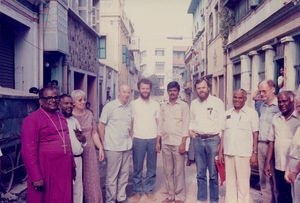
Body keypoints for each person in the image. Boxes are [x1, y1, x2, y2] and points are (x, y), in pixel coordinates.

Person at [21, 87, 74, 203]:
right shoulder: (32, 119)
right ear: (40, 101)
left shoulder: (61, 116)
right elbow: (27, 152)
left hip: (64, 169)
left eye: (55, 97)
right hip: (45, 170)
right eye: (49, 98)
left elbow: (67, 142)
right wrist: (36, 177)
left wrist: (72, 166)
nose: (53, 100)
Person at [219, 89, 259, 203]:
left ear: (245, 99)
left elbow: (255, 134)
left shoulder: (252, 113)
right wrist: (220, 152)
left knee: (243, 183)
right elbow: (223, 133)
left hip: (244, 154)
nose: (237, 100)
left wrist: (254, 153)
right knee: (230, 183)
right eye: (235, 97)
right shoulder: (227, 113)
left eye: (240, 98)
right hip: (229, 153)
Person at [189, 78, 225, 203]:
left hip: (213, 141)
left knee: (214, 174)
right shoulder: (193, 103)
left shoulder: (217, 102)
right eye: (198, 88)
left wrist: (220, 144)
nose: (201, 90)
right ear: (196, 90)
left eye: (203, 87)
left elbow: (222, 124)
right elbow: (192, 120)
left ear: (208, 88)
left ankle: (214, 200)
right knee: (200, 173)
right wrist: (191, 131)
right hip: (198, 140)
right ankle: (202, 198)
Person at [156, 81, 189, 203]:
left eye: (174, 90)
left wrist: (183, 143)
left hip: (178, 142)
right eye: (170, 91)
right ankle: (170, 195)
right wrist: (158, 142)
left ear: (178, 91)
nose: (172, 93)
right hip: (165, 142)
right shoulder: (163, 106)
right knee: (168, 170)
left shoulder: (184, 106)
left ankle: (180, 196)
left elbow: (186, 124)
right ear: (167, 92)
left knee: (179, 171)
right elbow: (160, 125)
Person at [98, 84, 132, 203]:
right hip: (112, 147)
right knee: (112, 177)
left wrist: (131, 141)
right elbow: (101, 125)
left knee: (124, 175)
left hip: (126, 147)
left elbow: (130, 126)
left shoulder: (129, 107)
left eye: (128, 92)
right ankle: (110, 199)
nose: (126, 94)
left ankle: (121, 197)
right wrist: (103, 144)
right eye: (124, 92)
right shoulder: (110, 107)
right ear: (118, 92)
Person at [264, 91, 299, 203]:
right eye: (279, 102)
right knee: (281, 193)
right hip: (279, 164)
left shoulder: (298, 118)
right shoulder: (276, 118)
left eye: (285, 101)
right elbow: (271, 142)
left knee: (295, 196)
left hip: (295, 166)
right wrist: (268, 163)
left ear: (292, 102)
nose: (282, 104)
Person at [71, 89, 104, 203]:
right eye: (80, 100)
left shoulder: (89, 114)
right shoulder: (69, 116)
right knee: (76, 178)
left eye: (84, 99)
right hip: (75, 150)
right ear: (74, 102)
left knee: (91, 177)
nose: (83, 102)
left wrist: (100, 148)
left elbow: (94, 133)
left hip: (89, 150)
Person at [130, 78, 160, 202]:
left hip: (152, 138)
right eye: (143, 88)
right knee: (137, 167)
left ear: (150, 89)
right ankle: (137, 191)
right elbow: (130, 123)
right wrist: (131, 139)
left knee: (152, 167)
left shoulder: (156, 104)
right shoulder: (133, 104)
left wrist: (158, 141)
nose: (145, 90)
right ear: (139, 89)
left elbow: (159, 124)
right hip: (138, 139)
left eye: (147, 88)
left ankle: (148, 190)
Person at [60, 94, 87, 203]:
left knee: (77, 189)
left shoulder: (74, 120)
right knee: (65, 189)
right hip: (64, 161)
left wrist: (83, 139)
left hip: (78, 159)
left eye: (71, 103)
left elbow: (81, 140)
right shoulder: (59, 121)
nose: (69, 106)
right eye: (66, 103)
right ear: (59, 105)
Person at [258, 80, 280, 203]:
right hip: (261, 145)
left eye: (264, 91)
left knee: (275, 179)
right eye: (260, 91)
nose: (261, 94)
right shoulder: (262, 106)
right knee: (264, 179)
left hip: (273, 146)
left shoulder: (279, 106)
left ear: (272, 90)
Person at [285, 95, 300, 203]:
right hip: (294, 167)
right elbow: (293, 149)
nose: (299, 109)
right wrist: (287, 170)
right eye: (298, 106)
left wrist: (295, 171)